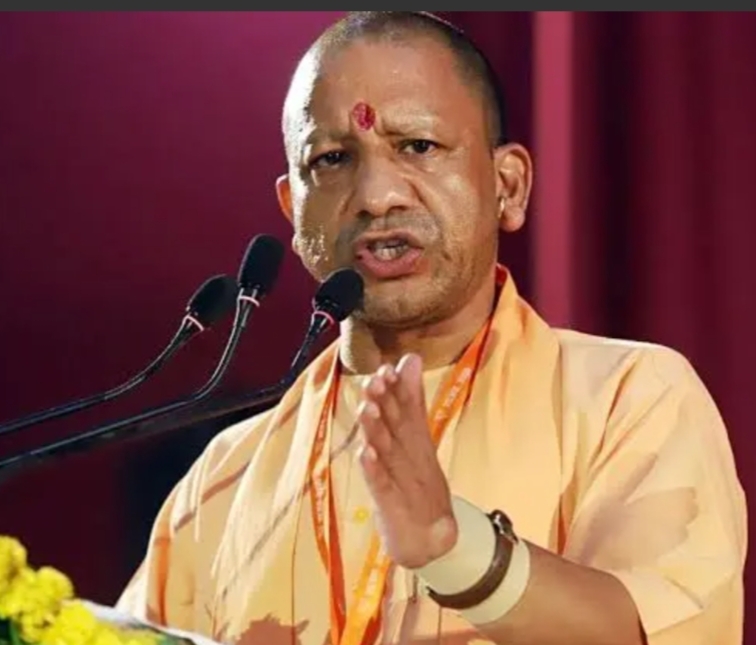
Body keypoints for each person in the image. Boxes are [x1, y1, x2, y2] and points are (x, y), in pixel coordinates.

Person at [116, 11, 747, 645]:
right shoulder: (225, 477)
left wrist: (458, 550)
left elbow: (662, 630)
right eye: (332, 159)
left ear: (508, 185)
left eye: (418, 147)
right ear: (293, 211)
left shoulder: (627, 397)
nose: (377, 195)